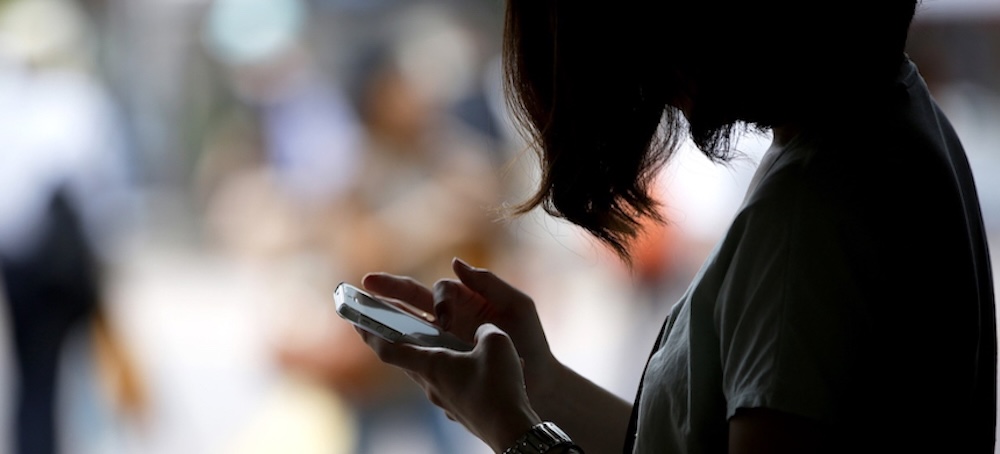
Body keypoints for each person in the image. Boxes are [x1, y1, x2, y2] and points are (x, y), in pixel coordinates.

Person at [351, 1, 997, 453]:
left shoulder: (813, 215)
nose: (654, 80)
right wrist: (537, 384)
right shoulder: (884, 116)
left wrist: (514, 434)